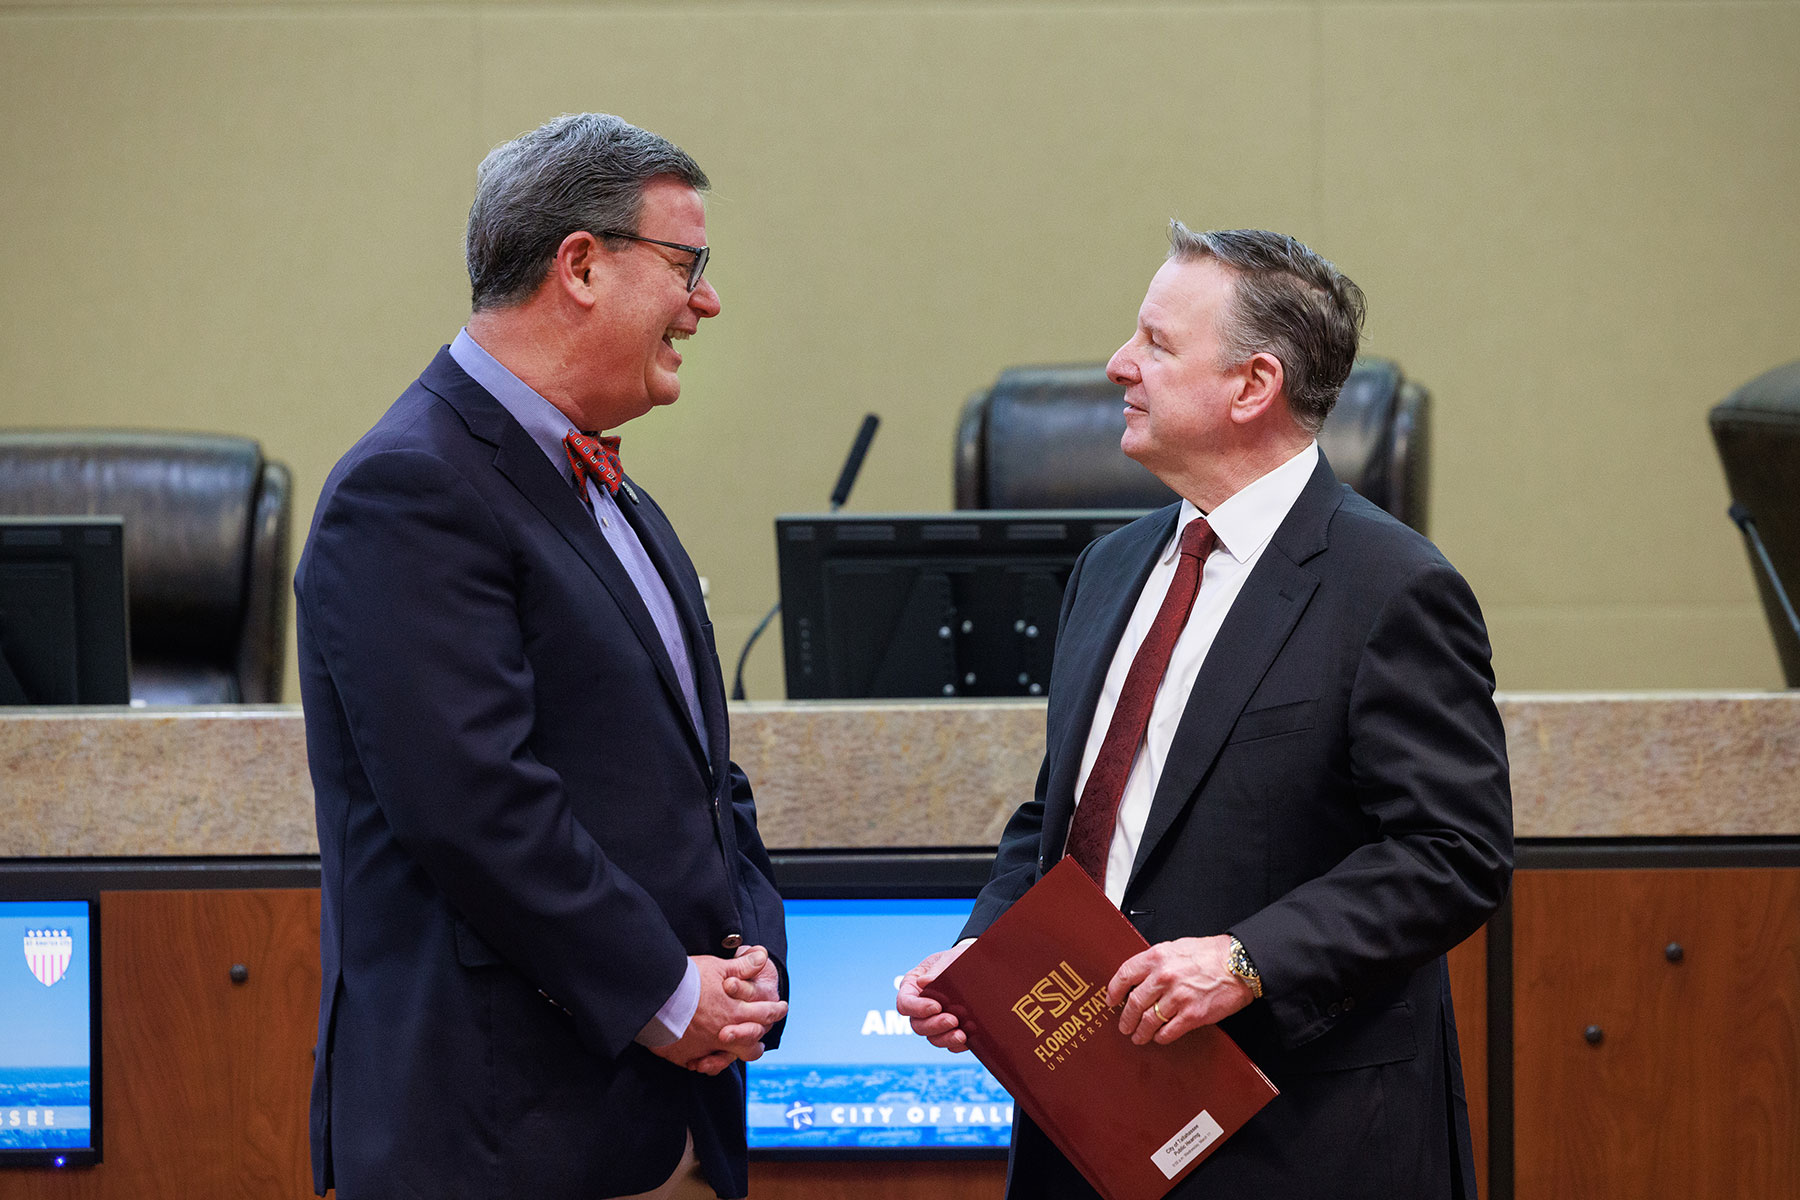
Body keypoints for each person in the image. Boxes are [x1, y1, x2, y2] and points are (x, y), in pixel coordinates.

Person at [898, 224, 1512, 1198]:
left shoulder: (1390, 585)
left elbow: (1452, 852)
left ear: (1251, 385)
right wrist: (985, 957)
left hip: (1296, 1136)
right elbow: (1061, 816)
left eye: (1155, 343)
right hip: (1084, 1126)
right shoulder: (1109, 569)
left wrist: (1246, 960)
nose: (1117, 366)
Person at [295, 113, 787, 1200]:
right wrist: (667, 992)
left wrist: (751, 967)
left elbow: (705, 781)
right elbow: (474, 806)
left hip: (665, 1118)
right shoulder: (409, 488)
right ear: (581, 266)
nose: (705, 302)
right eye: (686, 265)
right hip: (500, 1137)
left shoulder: (618, 495)